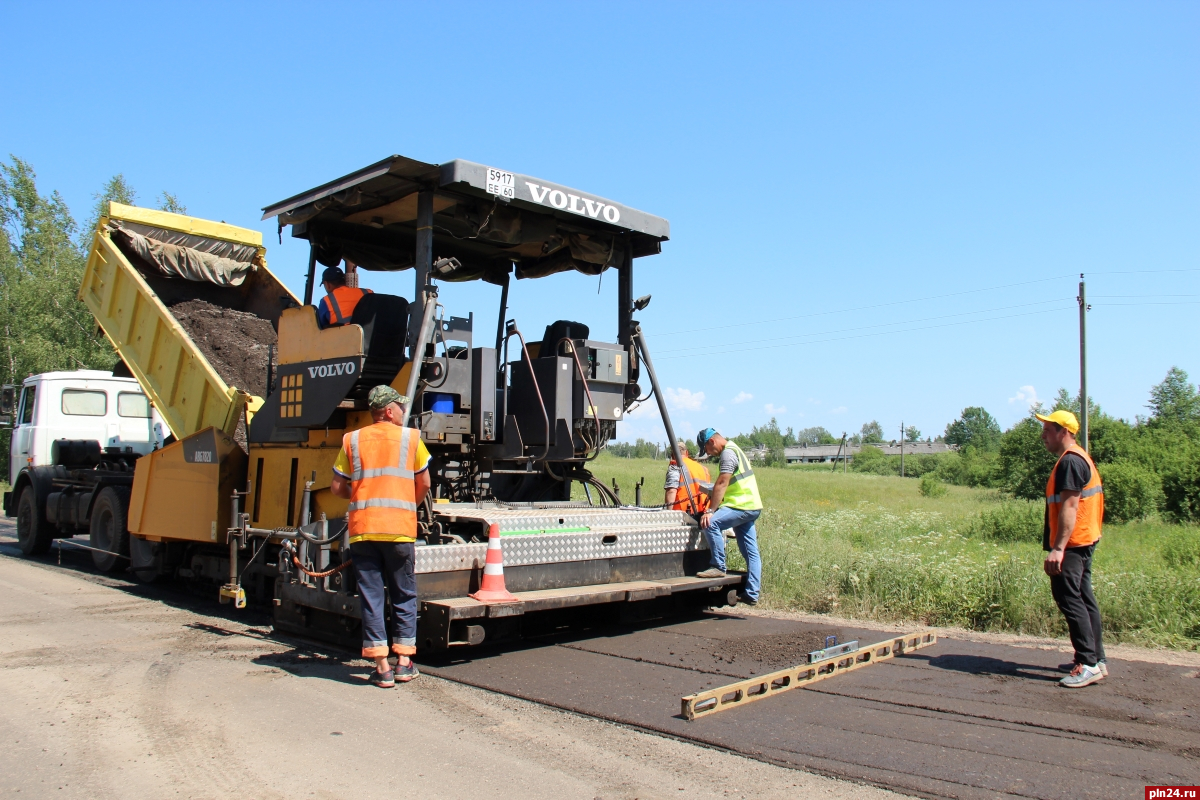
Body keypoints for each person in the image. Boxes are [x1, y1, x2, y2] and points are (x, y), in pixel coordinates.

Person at [330, 385, 431, 687]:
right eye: (399, 407)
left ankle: (382, 667)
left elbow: (337, 487)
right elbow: (424, 482)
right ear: (388, 411)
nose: (402, 411)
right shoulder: (411, 438)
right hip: (399, 530)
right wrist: (407, 506)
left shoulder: (353, 439)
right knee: (403, 593)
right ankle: (404, 661)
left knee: (372, 596)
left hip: (364, 531)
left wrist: (362, 496)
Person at [1037, 409, 1107, 689]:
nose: (1043, 436)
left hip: (1073, 543)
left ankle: (1088, 664)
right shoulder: (1080, 458)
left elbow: (1070, 506)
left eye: (1047, 431)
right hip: (1085, 539)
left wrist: (1058, 549)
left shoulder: (1070, 462)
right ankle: (1096, 659)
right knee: (1083, 597)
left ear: (1063, 432)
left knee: (1069, 597)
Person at [693, 428, 763, 605]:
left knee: (710, 523)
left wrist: (710, 510)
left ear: (712, 442)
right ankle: (752, 593)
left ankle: (718, 566)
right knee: (751, 552)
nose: (708, 453)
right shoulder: (735, 449)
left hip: (740, 506)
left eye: (707, 449)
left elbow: (723, 482)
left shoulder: (727, 454)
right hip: (752, 505)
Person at [317, 263, 372, 329]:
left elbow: (321, 327)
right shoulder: (368, 292)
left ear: (327, 284)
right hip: (371, 336)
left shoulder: (326, 301)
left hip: (344, 337)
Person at [664, 442, 713, 513]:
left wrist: (668, 514)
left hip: (682, 515)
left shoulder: (675, 465)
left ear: (672, 454)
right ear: (687, 453)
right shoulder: (703, 468)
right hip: (703, 513)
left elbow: (672, 491)